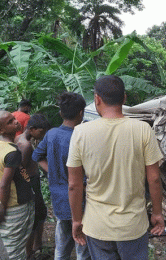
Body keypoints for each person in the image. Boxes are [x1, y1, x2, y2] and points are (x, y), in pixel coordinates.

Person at [67, 75, 165, 260]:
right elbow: (153, 178)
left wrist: (77, 220)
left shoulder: (80, 132)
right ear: (124, 98)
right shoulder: (143, 129)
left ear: (97, 99)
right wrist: (158, 213)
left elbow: (74, 185)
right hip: (133, 225)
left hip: (97, 226)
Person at [32, 93, 90, 260]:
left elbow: (37, 156)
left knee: (62, 245)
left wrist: (53, 171)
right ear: (81, 113)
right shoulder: (80, 137)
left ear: (60, 113)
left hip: (59, 200)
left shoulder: (51, 134)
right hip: (80, 200)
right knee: (82, 245)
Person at [0, 111, 35, 260]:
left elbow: (21, 170)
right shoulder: (12, 152)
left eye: (13, 118)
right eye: (9, 122)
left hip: (18, 202)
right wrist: (2, 206)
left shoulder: (5, 147)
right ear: (1, 130)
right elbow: (4, 184)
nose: (15, 122)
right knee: (14, 249)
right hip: (15, 205)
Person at [15, 114, 50, 259]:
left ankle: (36, 247)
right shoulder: (26, 145)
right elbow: (20, 168)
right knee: (36, 215)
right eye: (41, 132)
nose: (42, 135)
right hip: (30, 183)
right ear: (32, 129)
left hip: (31, 181)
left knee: (39, 213)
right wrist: (28, 184)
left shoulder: (21, 139)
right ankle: (30, 251)